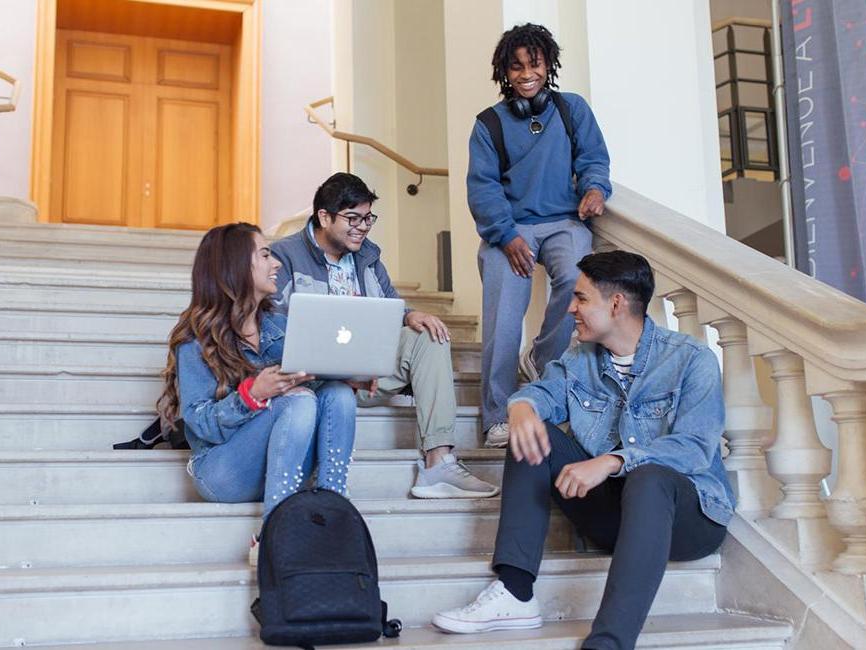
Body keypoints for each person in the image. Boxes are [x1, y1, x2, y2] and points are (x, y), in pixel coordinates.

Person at [432, 251, 734, 650]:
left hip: (688, 521)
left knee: (648, 478)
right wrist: (521, 407)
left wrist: (611, 462)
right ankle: (515, 591)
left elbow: (694, 448)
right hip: (618, 517)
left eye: (581, 298)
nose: (570, 307)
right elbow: (541, 393)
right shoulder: (579, 359)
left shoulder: (692, 360)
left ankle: (609, 641)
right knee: (532, 431)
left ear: (616, 304)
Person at [270, 173, 498, 499]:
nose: (362, 226)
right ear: (324, 216)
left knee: (429, 335)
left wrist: (410, 315)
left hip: (367, 378)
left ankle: (438, 463)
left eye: (367, 218)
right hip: (313, 384)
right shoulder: (285, 256)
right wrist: (329, 372)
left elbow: (389, 306)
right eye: (352, 218)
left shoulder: (368, 255)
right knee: (334, 389)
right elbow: (272, 336)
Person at [159, 222, 358, 562]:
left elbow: (316, 398)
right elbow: (200, 424)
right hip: (223, 471)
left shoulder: (281, 327)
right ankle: (274, 534)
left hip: (284, 456)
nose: (277, 262)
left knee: (337, 394)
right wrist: (252, 394)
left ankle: (332, 510)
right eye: (265, 254)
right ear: (235, 265)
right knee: (297, 401)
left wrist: (346, 373)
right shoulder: (195, 340)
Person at [469, 23, 612, 448]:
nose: (526, 73)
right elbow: (483, 187)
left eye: (534, 64)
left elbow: (593, 158)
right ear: (505, 73)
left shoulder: (572, 109)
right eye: (516, 67)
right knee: (503, 318)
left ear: (548, 65)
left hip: (564, 221)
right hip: (510, 230)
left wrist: (594, 189)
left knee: (576, 283)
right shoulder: (488, 125)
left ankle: (543, 361)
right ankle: (496, 415)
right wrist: (506, 235)